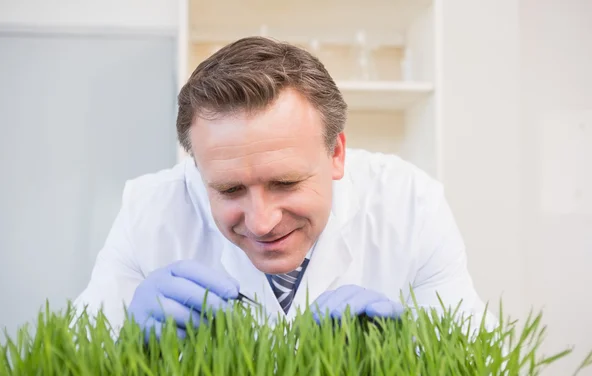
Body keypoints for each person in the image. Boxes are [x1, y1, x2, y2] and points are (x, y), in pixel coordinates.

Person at [74, 36, 495, 341]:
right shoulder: (149, 211)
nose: (261, 222)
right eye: (229, 189)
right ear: (196, 168)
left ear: (336, 154)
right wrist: (125, 337)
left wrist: (411, 352)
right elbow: (64, 369)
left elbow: (482, 371)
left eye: (286, 182)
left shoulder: (410, 206)